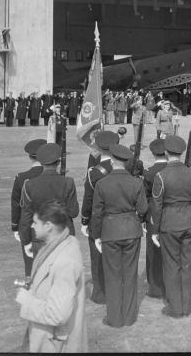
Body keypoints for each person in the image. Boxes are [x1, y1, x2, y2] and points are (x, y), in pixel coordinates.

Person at [15, 200, 87, 353]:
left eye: (35, 222)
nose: (32, 226)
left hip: (55, 344)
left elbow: (57, 315)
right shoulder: (61, 244)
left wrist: (26, 299)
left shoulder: (65, 261)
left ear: (48, 226)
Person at [150, 135, 191, 318]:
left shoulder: (161, 176)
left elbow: (157, 206)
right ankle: (186, 306)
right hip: (189, 223)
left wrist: (155, 230)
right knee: (187, 264)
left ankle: (175, 307)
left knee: (171, 265)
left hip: (169, 224)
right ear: (181, 153)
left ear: (166, 153)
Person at [91, 144, 148, 328]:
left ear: (113, 161)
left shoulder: (102, 183)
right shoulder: (136, 182)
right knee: (130, 274)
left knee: (113, 275)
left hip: (110, 232)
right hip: (131, 231)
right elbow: (143, 209)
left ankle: (115, 318)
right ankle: (129, 316)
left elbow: (97, 214)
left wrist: (97, 236)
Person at [19, 143, 79, 261]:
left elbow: (26, 216)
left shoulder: (29, 185)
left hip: (41, 236)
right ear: (58, 162)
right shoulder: (68, 182)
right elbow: (74, 212)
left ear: (41, 163)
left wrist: (26, 241)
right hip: (64, 235)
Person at [81, 130, 118, 304]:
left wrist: (84, 221)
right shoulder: (127, 168)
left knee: (98, 258)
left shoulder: (94, 173)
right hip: (121, 220)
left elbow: (88, 200)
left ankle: (100, 293)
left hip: (100, 220)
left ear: (98, 148)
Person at [11, 139, 47, 278]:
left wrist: (15, 226)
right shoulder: (54, 177)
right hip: (49, 226)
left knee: (30, 263)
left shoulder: (21, 178)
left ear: (29, 156)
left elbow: (15, 204)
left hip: (28, 226)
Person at [143, 139, 168, 298]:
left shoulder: (149, 172)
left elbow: (144, 198)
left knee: (153, 252)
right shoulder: (175, 170)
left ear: (152, 153)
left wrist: (144, 219)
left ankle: (155, 288)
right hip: (172, 215)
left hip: (153, 215)